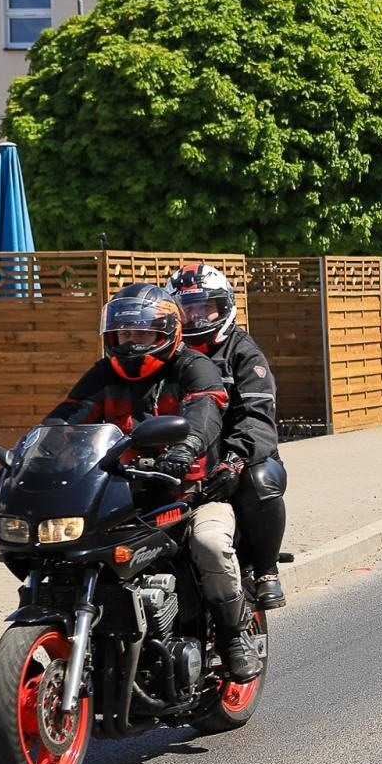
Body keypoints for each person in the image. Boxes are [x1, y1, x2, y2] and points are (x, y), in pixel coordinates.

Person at [46, 284, 262, 681]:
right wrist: (36, 451)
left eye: (140, 334)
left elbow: (204, 414)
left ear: (165, 333)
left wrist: (186, 450)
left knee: (210, 545)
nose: (130, 342)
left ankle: (234, 638)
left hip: (190, 493)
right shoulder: (102, 375)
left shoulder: (194, 367)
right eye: (124, 334)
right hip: (123, 494)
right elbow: (68, 417)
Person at [166, 264, 290, 612]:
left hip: (235, 456)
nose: (197, 317)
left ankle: (265, 569)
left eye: (206, 307)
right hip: (179, 459)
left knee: (260, 478)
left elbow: (258, 420)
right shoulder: (166, 355)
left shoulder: (244, 353)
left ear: (224, 307)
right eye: (187, 310)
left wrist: (234, 460)